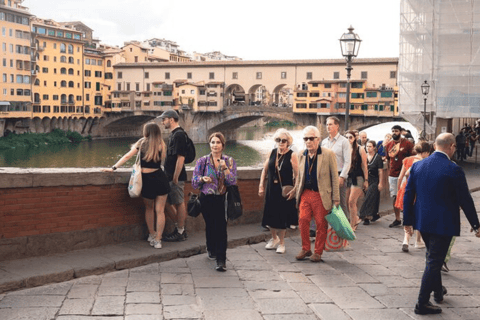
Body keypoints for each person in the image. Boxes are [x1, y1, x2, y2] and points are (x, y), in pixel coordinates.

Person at [403, 133, 480, 315]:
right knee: (434, 261)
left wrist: (408, 221)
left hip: (423, 221)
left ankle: (437, 292)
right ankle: (421, 303)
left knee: (433, 257)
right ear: (452, 146)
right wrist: (476, 225)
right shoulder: (453, 169)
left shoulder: (418, 166)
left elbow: (408, 195)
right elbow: (465, 200)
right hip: (444, 224)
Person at [102, 122, 169, 249]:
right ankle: (158, 240)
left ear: (146, 131)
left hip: (147, 180)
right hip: (160, 179)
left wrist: (114, 167)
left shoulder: (142, 142)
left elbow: (128, 156)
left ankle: (152, 234)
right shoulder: (161, 143)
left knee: (149, 209)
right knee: (160, 211)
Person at [191, 132, 237, 271]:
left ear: (223, 145)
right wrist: (202, 179)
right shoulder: (202, 161)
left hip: (223, 198)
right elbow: (194, 182)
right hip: (207, 198)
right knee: (210, 225)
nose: (215, 145)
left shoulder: (229, 161)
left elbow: (233, 181)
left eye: (218, 142)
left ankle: (221, 260)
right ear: (209, 144)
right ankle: (211, 248)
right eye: (213, 142)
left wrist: (225, 169)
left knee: (221, 228)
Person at [294, 126, 340, 262]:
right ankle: (306, 248)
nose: (308, 141)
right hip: (306, 193)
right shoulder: (301, 154)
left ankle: (318, 252)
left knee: (321, 223)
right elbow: (299, 177)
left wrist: (336, 198)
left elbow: (334, 178)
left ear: (318, 139)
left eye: (311, 138)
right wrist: (295, 191)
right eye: (306, 139)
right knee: (303, 220)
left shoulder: (328, 154)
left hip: (321, 194)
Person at [259, 129, 299, 254]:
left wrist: (295, 190)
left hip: (284, 190)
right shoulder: (272, 152)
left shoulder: (292, 155)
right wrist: (261, 185)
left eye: (283, 140)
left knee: (282, 217)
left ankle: (282, 243)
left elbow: (298, 175)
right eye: (278, 140)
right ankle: (274, 238)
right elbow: (264, 171)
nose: (281, 142)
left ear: (288, 142)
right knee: (269, 215)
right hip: (271, 188)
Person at [158, 110, 188, 242]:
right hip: (168, 176)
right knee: (167, 203)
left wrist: (175, 177)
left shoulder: (179, 135)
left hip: (176, 177)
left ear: (171, 119)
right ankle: (180, 228)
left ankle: (180, 231)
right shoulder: (174, 134)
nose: (162, 122)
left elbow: (181, 157)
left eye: (164, 119)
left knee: (179, 202)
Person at [395, 142, 431, 252]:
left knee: (408, 215)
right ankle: (418, 241)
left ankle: (406, 241)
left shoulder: (407, 160)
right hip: (418, 190)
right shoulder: (425, 162)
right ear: (425, 152)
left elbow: (400, 177)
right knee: (419, 216)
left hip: (405, 189)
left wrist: (399, 191)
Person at [321, 116, 351, 221]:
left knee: (340, 203)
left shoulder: (344, 142)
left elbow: (347, 161)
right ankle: (327, 230)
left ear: (337, 126)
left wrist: (342, 176)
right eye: (327, 124)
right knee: (325, 203)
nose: (328, 127)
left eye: (330, 124)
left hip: (338, 175)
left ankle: (344, 231)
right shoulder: (324, 142)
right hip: (325, 176)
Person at [385, 125, 414, 228]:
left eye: (396, 131)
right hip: (392, 174)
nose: (394, 133)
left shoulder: (407, 144)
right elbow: (388, 159)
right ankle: (397, 219)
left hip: (405, 173)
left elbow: (412, 158)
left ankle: (407, 218)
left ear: (400, 132)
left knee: (405, 196)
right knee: (394, 196)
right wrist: (388, 171)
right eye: (392, 131)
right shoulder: (389, 144)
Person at [345, 130, 368, 230]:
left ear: (355, 138)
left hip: (358, 177)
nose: (348, 139)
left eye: (350, 137)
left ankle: (353, 225)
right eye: (346, 137)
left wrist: (366, 180)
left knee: (351, 201)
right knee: (346, 202)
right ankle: (356, 218)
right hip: (348, 177)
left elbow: (364, 165)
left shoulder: (360, 149)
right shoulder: (345, 149)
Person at [359, 140, 383, 225]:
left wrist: (380, 183)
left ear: (374, 148)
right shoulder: (364, 156)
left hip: (374, 180)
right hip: (366, 179)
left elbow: (380, 171)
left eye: (370, 146)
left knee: (369, 196)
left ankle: (364, 216)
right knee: (370, 198)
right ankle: (373, 215)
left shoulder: (378, 158)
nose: (368, 148)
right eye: (367, 146)